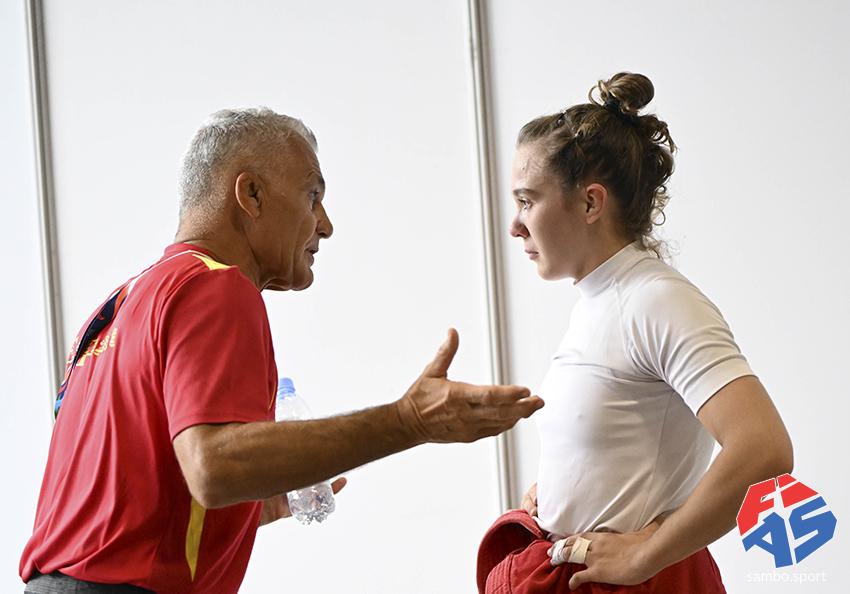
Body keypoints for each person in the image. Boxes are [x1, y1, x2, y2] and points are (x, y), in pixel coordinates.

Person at [20, 108, 545, 594]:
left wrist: (245, 507)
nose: (325, 225)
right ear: (250, 194)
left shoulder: (123, 302)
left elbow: (130, 486)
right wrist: (409, 421)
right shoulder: (214, 285)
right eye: (312, 196)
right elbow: (211, 466)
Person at [476, 73, 793, 593]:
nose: (515, 225)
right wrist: (559, 495)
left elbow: (764, 449)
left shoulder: (656, 301)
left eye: (527, 201)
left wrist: (646, 554)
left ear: (590, 203)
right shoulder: (601, 300)